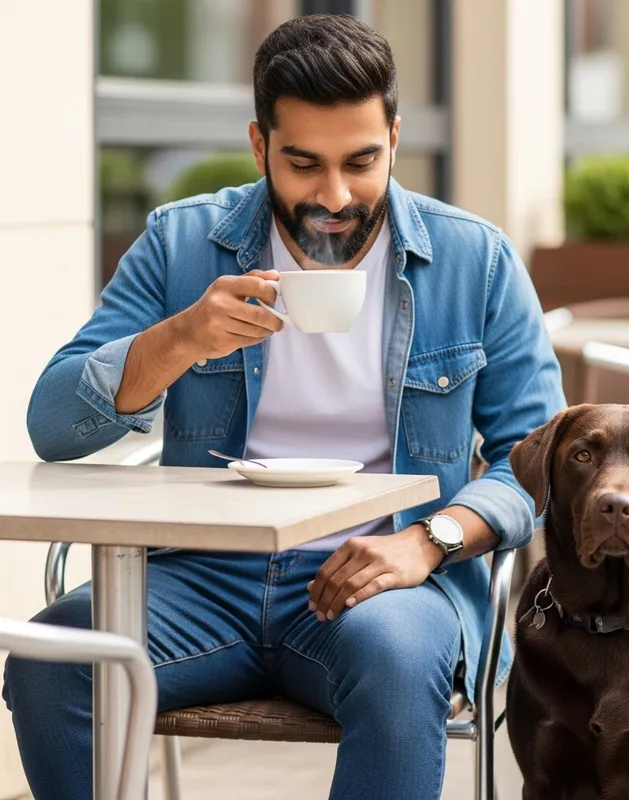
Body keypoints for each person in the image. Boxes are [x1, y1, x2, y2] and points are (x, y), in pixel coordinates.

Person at [3, 13, 565, 800]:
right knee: (50, 662)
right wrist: (180, 339)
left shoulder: (477, 259)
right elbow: (53, 425)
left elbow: (535, 459)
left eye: (361, 162)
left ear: (396, 139)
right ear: (260, 146)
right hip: (201, 577)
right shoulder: (182, 243)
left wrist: (430, 541)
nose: (334, 196)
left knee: (398, 659)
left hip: (384, 580)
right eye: (303, 164)